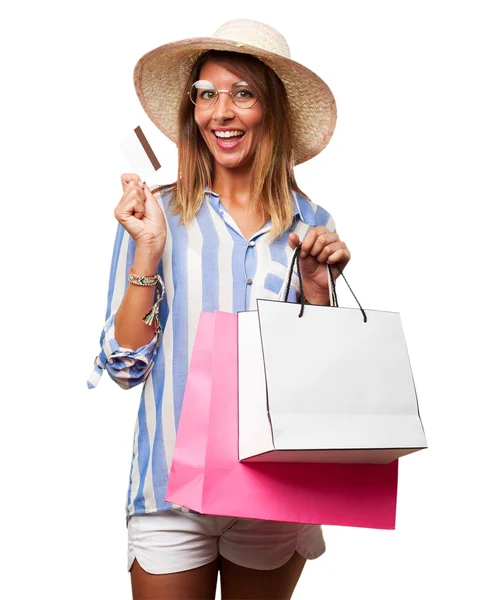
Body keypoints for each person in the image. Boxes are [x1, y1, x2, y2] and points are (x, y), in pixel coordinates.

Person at [87, 18, 351, 600]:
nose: (220, 112)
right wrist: (149, 251)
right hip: (168, 492)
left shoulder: (314, 224)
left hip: (273, 488)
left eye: (243, 93)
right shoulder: (153, 216)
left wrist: (316, 290)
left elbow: (325, 388)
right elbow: (126, 366)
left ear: (272, 111)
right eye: (206, 93)